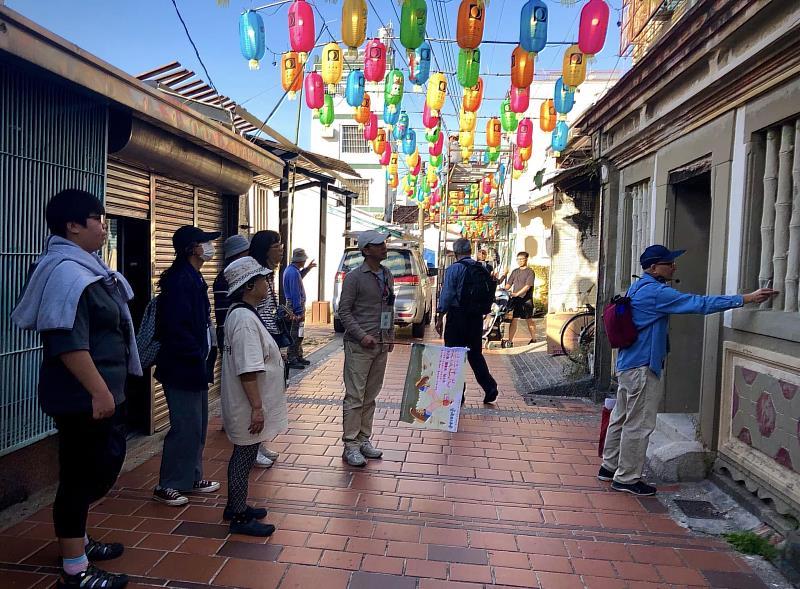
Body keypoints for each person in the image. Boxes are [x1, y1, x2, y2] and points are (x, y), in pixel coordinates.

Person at [12, 189, 142, 589]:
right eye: (97, 219)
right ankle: (75, 568)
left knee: (97, 470)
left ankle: (79, 541)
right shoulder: (66, 273)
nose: (104, 226)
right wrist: (99, 392)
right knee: (80, 477)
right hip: (83, 398)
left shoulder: (88, 268)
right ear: (72, 225)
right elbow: (67, 341)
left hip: (103, 394)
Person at [599, 245, 778, 496]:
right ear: (653, 268)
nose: (674, 266)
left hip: (628, 364)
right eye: (668, 263)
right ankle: (626, 478)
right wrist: (745, 298)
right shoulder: (655, 293)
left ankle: (609, 466)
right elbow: (699, 304)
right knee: (638, 424)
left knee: (622, 416)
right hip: (642, 368)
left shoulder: (638, 286)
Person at [152, 225, 221, 506]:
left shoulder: (193, 278)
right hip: (182, 366)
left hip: (195, 364)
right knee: (184, 426)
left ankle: (191, 477)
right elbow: (176, 328)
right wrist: (195, 356)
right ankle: (167, 484)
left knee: (198, 424)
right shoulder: (180, 281)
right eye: (205, 243)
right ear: (193, 247)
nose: (210, 247)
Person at [220, 257, 288, 536]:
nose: (267, 285)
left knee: (245, 454)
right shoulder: (245, 319)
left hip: (246, 402)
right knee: (244, 455)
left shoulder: (243, 313)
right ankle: (237, 514)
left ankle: (236, 504)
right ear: (249, 286)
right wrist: (257, 408)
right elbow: (248, 369)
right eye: (263, 280)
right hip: (247, 403)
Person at [338, 230, 395, 467]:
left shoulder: (387, 274)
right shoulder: (354, 277)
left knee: (370, 396)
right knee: (355, 396)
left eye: (383, 243)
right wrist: (362, 336)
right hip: (359, 347)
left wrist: (389, 334)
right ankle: (350, 445)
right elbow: (344, 311)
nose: (384, 247)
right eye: (378, 244)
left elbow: (389, 307)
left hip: (380, 345)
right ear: (366, 250)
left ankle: (363, 439)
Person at [435, 238, 499, 405]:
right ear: (470, 251)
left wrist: (440, 316)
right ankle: (489, 386)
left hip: (457, 316)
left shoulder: (454, 269)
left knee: (455, 354)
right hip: (475, 317)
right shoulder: (482, 268)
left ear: (455, 253)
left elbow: (447, 294)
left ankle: (458, 393)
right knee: (475, 354)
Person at [247, 230, 288, 466]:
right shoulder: (255, 273)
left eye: (281, 244)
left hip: (270, 338)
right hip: (259, 340)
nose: (281, 249)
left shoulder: (270, 274)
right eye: (276, 245)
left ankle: (260, 444)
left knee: (268, 395)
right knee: (257, 398)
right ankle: (252, 449)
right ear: (264, 248)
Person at [213, 234, 251, 350]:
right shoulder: (226, 277)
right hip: (232, 334)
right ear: (239, 254)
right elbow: (223, 313)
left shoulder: (238, 275)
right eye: (247, 252)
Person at [283, 247, 317, 369]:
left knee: (299, 332)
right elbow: (295, 293)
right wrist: (298, 311)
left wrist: (307, 269)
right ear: (300, 260)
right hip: (294, 305)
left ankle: (298, 355)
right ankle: (292, 357)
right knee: (295, 332)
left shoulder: (293, 270)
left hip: (295, 304)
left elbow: (299, 278)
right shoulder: (293, 272)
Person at [504, 251, 537, 345]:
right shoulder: (515, 271)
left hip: (526, 300)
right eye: (518, 259)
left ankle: (534, 339)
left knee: (529, 319)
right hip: (516, 300)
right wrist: (503, 289)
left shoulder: (530, 272)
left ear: (526, 259)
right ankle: (510, 341)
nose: (520, 261)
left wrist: (517, 293)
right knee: (514, 319)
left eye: (522, 259)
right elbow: (508, 284)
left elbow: (527, 286)